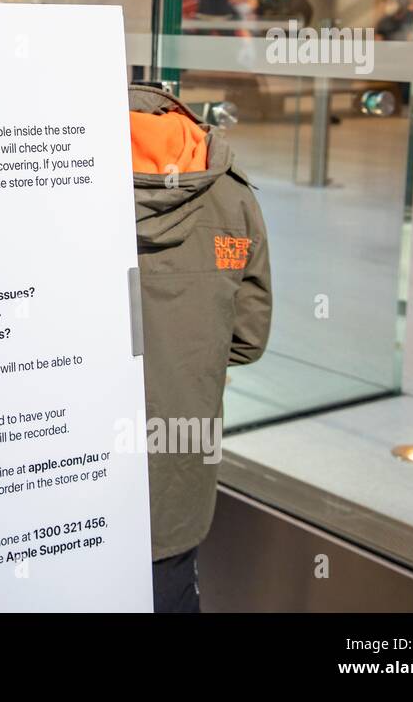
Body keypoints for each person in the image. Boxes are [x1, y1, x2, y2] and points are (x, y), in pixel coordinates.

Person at [128, 83, 271, 612]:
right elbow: (248, 340)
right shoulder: (232, 194)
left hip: (57, 493)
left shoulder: (49, 183)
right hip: (175, 489)